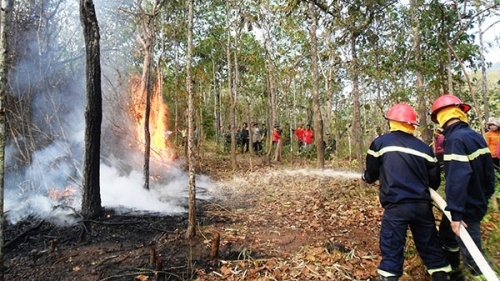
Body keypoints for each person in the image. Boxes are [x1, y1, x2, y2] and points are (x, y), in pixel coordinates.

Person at [362, 103, 451, 281]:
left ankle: (389, 276)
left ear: (392, 122)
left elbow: (371, 172)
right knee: (431, 247)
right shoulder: (425, 149)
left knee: (392, 247)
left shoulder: (380, 143)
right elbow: (434, 180)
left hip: (396, 208)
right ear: (412, 124)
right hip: (422, 207)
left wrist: (367, 177)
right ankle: (442, 275)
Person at [430, 94, 496, 280]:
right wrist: (483, 198)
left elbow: (457, 179)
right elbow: (489, 173)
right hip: (476, 201)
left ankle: (481, 275)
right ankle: (454, 269)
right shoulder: (475, 136)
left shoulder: (455, 141)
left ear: (440, 118)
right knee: (446, 233)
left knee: (473, 254)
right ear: (460, 113)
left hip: (466, 208)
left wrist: (457, 215)